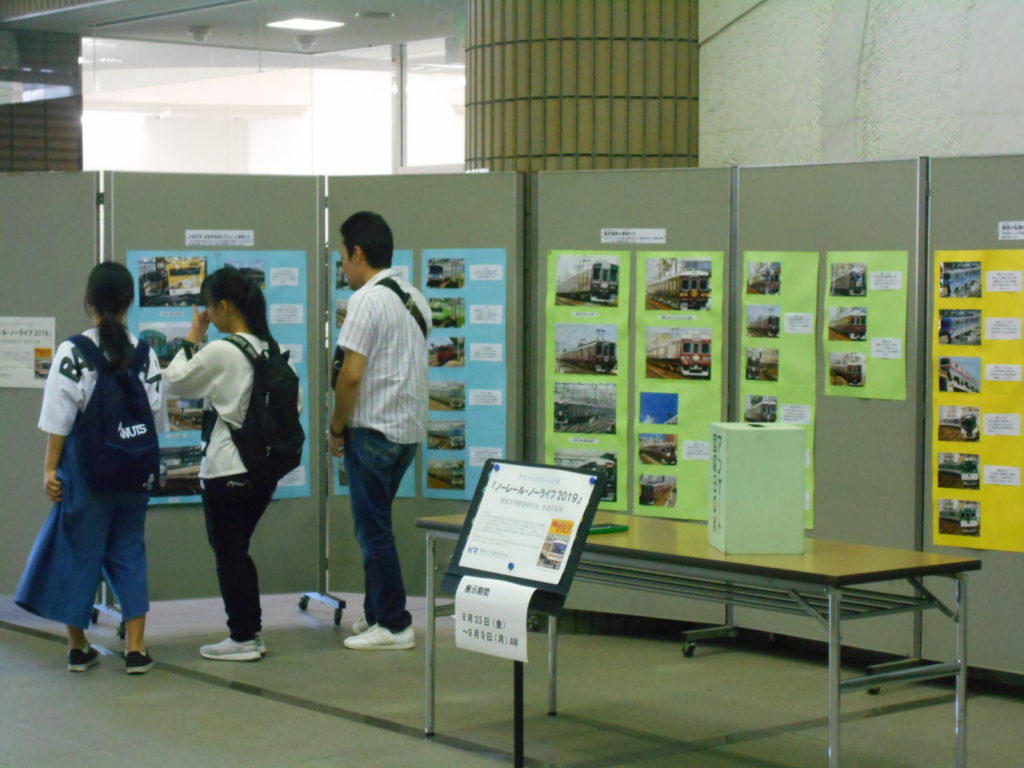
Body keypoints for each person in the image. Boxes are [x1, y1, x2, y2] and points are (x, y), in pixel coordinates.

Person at [16, 262, 165, 675]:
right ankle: (136, 649)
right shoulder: (145, 354)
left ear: (88, 300)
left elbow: (58, 419)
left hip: (87, 473)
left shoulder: (74, 352)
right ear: (129, 302)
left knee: (78, 552)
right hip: (134, 471)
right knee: (130, 552)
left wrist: (50, 471)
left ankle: (78, 647)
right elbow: (156, 417)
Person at [162, 266, 295, 661]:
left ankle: (243, 637)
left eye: (207, 306)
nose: (206, 313)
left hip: (225, 470)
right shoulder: (268, 347)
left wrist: (193, 336)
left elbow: (174, 382)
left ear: (221, 306)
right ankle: (248, 632)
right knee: (238, 550)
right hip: (260, 472)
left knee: (229, 554)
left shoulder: (223, 350)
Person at [329, 211, 430, 651]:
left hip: (371, 431)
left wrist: (336, 428)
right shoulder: (414, 296)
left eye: (343, 258)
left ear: (358, 254)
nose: (342, 268)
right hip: (406, 433)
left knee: (373, 533)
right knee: (376, 526)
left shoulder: (367, 301)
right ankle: (376, 615)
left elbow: (351, 376)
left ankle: (393, 624)